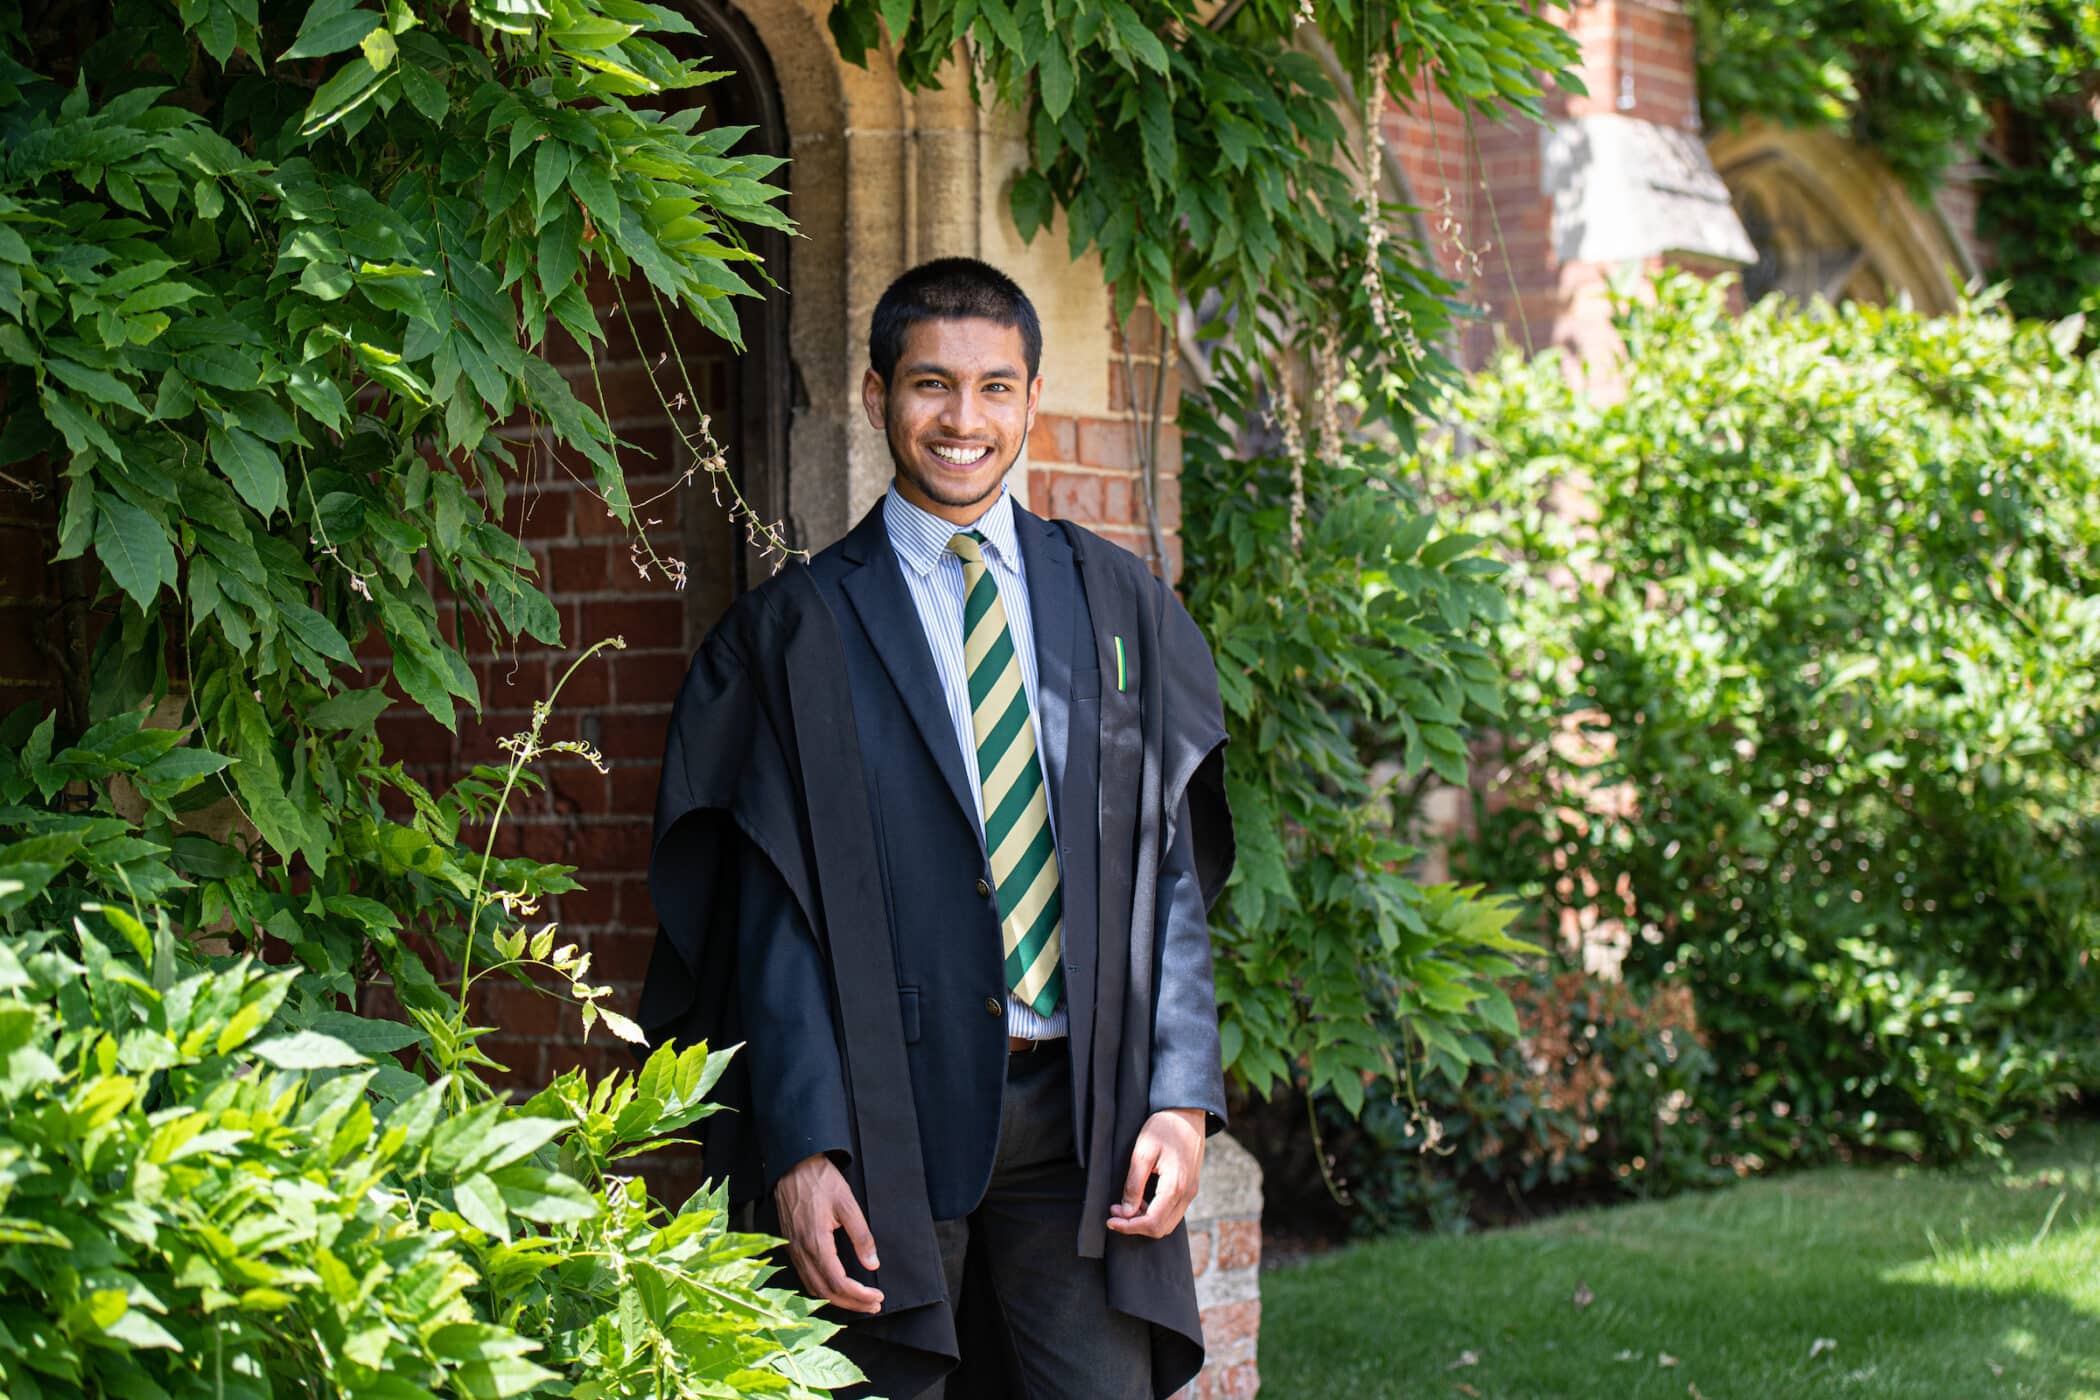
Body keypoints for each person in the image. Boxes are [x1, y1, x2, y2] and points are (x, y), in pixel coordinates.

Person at [636, 257, 1236, 1399]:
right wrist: (800, 1148)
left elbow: (1167, 872)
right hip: (880, 1119)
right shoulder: (794, 636)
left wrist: (1178, 1089)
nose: (964, 420)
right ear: (877, 397)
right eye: (931, 385)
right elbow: (769, 919)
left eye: (995, 387)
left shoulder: (1117, 606)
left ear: (1031, 399)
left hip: (1084, 1115)